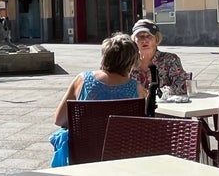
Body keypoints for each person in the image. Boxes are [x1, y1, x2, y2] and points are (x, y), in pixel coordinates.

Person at [49, 33, 146, 167]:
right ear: (132, 61)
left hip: (85, 153)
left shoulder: (82, 79)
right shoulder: (137, 88)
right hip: (122, 156)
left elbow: (59, 119)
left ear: (105, 56)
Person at [129, 19, 189, 95]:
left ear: (156, 39)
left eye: (149, 36)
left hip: (164, 105)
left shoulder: (170, 59)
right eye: (140, 37)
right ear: (134, 41)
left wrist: (154, 93)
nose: (145, 40)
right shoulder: (128, 62)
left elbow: (182, 87)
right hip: (135, 105)